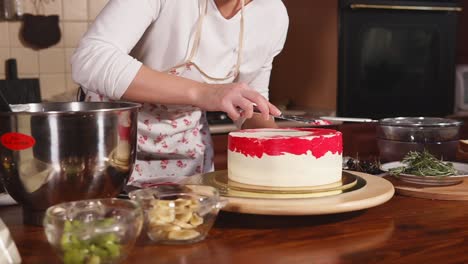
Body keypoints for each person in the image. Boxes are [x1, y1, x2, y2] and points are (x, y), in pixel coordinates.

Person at [71, 0, 289, 186]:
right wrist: (206, 93)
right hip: (112, 147)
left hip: (187, 154)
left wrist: (287, 150)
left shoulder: (273, 14)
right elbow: (91, 59)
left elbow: (251, 102)